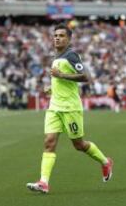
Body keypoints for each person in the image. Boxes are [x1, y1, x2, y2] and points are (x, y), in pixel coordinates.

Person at [27, 24, 113, 194]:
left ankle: (105, 162)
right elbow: (61, 83)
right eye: (55, 35)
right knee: (49, 142)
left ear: (68, 39)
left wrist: (62, 75)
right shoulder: (56, 56)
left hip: (70, 108)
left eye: (61, 35)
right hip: (54, 107)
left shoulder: (71, 55)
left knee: (79, 145)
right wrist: (51, 88)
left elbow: (86, 77)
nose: (57, 38)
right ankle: (44, 182)